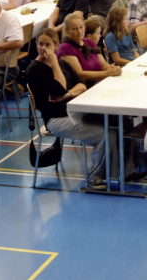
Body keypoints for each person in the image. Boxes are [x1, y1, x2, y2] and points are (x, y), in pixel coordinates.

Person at [27, 29, 116, 190]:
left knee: (116, 122)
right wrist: (54, 62)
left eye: (48, 44)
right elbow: (59, 87)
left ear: (56, 45)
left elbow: (81, 85)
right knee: (105, 135)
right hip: (57, 119)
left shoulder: (63, 63)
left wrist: (68, 94)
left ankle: (126, 170)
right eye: (40, 44)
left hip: (75, 112)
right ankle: (95, 178)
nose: (44, 48)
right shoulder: (35, 69)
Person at [56, 14, 121, 87]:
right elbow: (80, 75)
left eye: (81, 27)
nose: (79, 31)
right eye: (74, 29)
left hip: (98, 83)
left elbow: (104, 65)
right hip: (84, 88)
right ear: (67, 30)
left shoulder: (89, 42)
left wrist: (114, 69)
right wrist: (106, 73)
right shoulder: (65, 48)